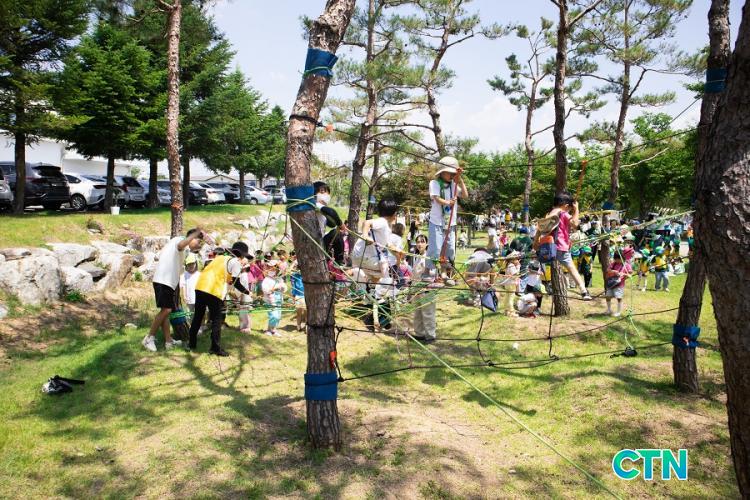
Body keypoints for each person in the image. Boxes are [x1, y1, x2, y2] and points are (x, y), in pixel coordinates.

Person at [143, 228, 206, 352]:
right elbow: (181, 245)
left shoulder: (181, 247)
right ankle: (149, 338)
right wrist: (197, 232)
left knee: (166, 312)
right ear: (191, 238)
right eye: (198, 241)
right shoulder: (179, 240)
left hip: (167, 282)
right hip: (164, 280)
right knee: (166, 310)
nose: (199, 245)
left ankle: (168, 341)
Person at [187, 242, 252, 356]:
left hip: (200, 287)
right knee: (217, 319)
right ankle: (215, 348)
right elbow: (236, 283)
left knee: (198, 316)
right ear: (241, 255)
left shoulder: (221, 258)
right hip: (213, 290)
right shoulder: (235, 261)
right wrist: (248, 292)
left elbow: (224, 276)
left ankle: (191, 344)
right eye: (244, 256)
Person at [538, 192, 592, 300]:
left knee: (543, 267)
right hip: (560, 247)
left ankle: (546, 286)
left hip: (548, 246)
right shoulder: (563, 213)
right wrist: (576, 209)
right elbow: (575, 224)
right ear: (566, 206)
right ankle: (583, 291)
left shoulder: (549, 214)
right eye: (569, 208)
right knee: (572, 268)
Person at [428, 156, 468, 272]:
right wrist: (448, 202)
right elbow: (436, 198)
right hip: (436, 222)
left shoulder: (453, 185)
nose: (452, 175)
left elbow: (465, 195)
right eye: (450, 173)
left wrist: (459, 179)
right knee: (436, 249)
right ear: (442, 172)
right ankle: (429, 271)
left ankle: (447, 273)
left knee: (450, 249)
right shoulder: (434, 183)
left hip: (451, 223)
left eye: (453, 173)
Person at [351, 198, 401, 284]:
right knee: (386, 266)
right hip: (365, 257)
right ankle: (385, 285)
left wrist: (398, 254)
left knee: (372, 277)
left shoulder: (386, 228)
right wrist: (366, 236)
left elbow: (388, 245)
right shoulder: (382, 221)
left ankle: (370, 284)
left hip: (359, 256)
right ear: (394, 213)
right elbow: (366, 222)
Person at [409, 234, 437, 343]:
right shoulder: (417, 257)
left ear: (427, 244)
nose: (419, 244)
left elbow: (432, 273)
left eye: (422, 241)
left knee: (428, 312)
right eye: (418, 242)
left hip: (426, 289)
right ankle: (419, 333)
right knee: (418, 312)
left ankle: (430, 335)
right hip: (416, 289)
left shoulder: (429, 257)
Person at [261, 260, 287, 336]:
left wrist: (282, 287)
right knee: (274, 315)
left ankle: (274, 330)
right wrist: (274, 288)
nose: (272, 269)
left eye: (274, 268)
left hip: (279, 299)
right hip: (270, 301)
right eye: (270, 267)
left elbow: (285, 288)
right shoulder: (266, 279)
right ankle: (269, 330)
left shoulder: (279, 279)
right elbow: (266, 290)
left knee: (278, 316)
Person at [604, 252, 632, 317]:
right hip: (611, 283)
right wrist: (613, 271)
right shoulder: (613, 264)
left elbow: (630, 273)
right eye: (615, 259)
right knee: (608, 296)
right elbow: (608, 270)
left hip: (619, 284)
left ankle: (618, 312)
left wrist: (624, 274)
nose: (617, 261)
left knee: (619, 297)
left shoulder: (626, 265)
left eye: (618, 259)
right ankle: (609, 310)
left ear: (622, 258)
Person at [499, 252, 521, 316]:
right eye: (516, 258)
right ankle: (511, 312)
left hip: (508, 283)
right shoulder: (511, 265)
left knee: (507, 297)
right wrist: (518, 267)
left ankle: (506, 310)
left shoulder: (508, 264)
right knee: (511, 297)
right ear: (513, 259)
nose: (517, 260)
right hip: (511, 283)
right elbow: (515, 274)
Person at [290, 260, 306, 332]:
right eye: (298, 267)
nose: (299, 269)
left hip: (306, 295)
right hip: (298, 296)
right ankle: (298, 326)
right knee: (299, 312)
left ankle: (306, 327)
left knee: (306, 312)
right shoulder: (294, 275)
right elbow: (293, 286)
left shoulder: (307, 275)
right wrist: (293, 296)